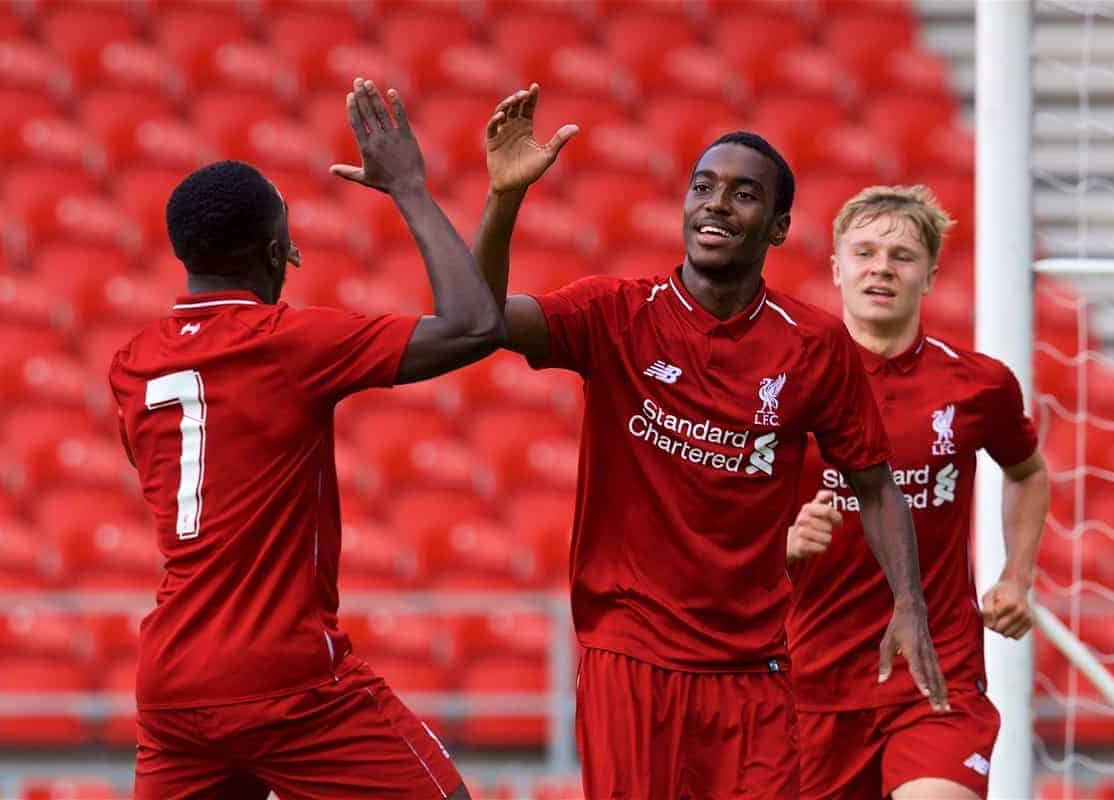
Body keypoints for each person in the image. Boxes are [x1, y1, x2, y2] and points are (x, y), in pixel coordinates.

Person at [470, 84, 948, 799]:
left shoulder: (814, 345)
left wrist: (909, 606)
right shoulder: (616, 313)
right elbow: (481, 321)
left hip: (752, 668)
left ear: (779, 227)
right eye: (704, 187)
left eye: (744, 194)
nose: (718, 203)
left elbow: (875, 483)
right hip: (630, 654)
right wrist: (504, 200)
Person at [109, 79, 499, 800]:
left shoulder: (132, 361)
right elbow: (475, 324)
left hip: (171, 686)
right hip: (282, 679)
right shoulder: (287, 341)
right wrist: (409, 187)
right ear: (275, 247)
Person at [785, 185, 1049, 800]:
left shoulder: (978, 386)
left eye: (902, 256)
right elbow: (723, 512)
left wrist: (1016, 576)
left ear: (930, 275)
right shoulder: (785, 383)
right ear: (836, 268)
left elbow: (1028, 471)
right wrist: (785, 541)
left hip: (936, 675)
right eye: (865, 252)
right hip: (813, 683)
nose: (881, 267)